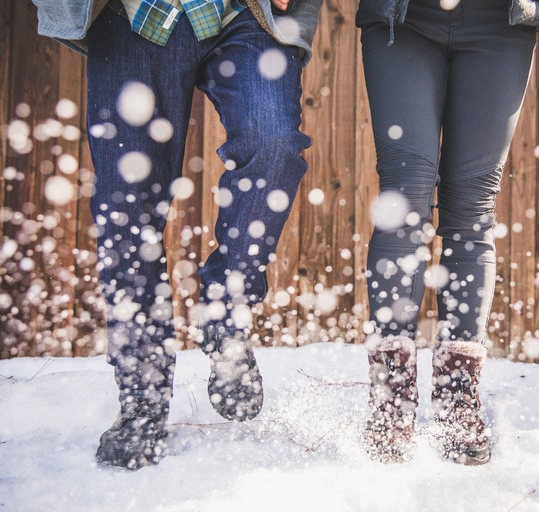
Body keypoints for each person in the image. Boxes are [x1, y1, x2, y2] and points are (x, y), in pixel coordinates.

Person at [32, 0, 323, 469]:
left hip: (243, 13)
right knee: (127, 204)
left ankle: (226, 319)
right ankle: (142, 394)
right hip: (132, 14)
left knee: (274, 146)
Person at [356, 0, 539, 464]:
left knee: (471, 206)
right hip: (403, 21)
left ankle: (457, 395)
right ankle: (391, 393)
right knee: (403, 199)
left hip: (502, 26)